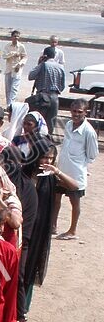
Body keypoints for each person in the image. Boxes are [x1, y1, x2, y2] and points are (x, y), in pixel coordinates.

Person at [22, 139, 78, 314]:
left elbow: (75, 186)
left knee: (30, 267)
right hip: (22, 227)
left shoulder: (52, 178)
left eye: (51, 159)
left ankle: (23, 309)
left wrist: (57, 171)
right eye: (44, 157)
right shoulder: (24, 174)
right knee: (17, 266)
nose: (47, 162)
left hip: (39, 230)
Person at [54, 100, 98, 240]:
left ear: (86, 113)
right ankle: (53, 226)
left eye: (80, 112)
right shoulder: (67, 124)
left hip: (76, 172)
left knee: (74, 202)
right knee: (56, 198)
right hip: (62, 169)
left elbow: (92, 154)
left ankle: (72, 230)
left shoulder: (89, 132)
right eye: (74, 111)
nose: (76, 114)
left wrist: (80, 164)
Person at [27, 46, 65, 134]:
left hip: (43, 97)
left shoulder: (43, 65)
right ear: (54, 55)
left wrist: (39, 63)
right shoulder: (61, 67)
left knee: (39, 122)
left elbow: (31, 76)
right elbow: (62, 86)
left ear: (45, 55)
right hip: (55, 98)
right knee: (50, 124)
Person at [2, 29, 27, 107]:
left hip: (17, 69)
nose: (16, 38)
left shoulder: (21, 46)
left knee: (14, 88)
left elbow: (25, 57)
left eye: (17, 36)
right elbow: (4, 56)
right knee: (8, 88)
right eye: (15, 36)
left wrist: (20, 64)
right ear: (11, 37)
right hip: (9, 69)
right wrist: (13, 54)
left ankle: (11, 104)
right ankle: (8, 104)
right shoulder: (7, 46)